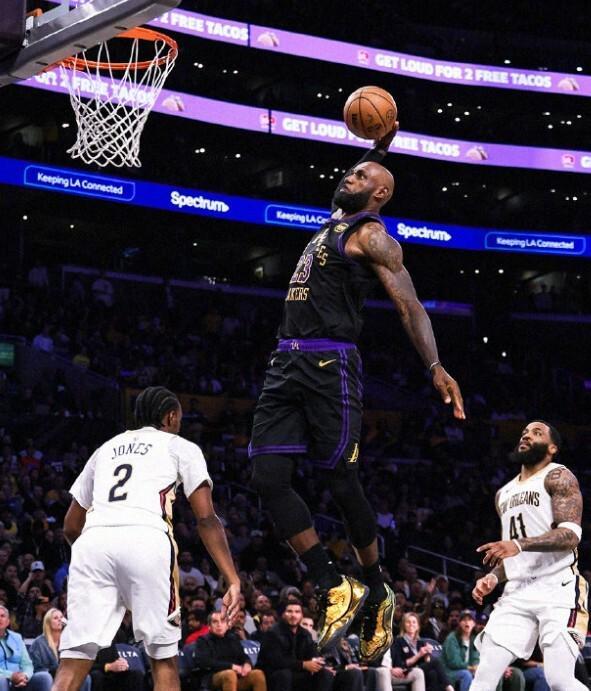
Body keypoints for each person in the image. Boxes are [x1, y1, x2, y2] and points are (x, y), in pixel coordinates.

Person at [250, 123, 465, 664]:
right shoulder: (335, 221)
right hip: (285, 359)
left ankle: (378, 588)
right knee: (266, 477)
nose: (349, 175)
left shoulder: (371, 236)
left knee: (340, 479)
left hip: (331, 363)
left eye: (361, 175)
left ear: (380, 193)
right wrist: (379, 147)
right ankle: (333, 584)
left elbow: (409, 306)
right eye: (351, 171)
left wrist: (436, 366)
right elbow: (359, 173)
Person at [51, 386, 241, 691]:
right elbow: (206, 518)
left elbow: (71, 526)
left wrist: (105, 566)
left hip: (93, 542)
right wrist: (232, 578)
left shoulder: (105, 449)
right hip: (146, 540)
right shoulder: (180, 446)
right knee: (163, 660)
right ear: (171, 416)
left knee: (73, 661)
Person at [471, 420, 589, 690]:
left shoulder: (558, 476)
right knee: (483, 678)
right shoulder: (503, 494)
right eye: (524, 432)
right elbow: (513, 553)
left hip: (558, 587)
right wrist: (493, 577)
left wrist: (518, 545)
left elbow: (571, 535)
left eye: (537, 433)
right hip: (517, 592)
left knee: (559, 680)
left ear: (552, 448)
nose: (526, 436)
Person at [258, 601, 334, 691]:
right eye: (289, 611)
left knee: (325, 674)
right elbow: (276, 661)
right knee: (284, 675)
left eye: (297, 612)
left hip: (298, 674)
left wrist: (318, 664)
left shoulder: (305, 634)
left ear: (301, 615)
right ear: (283, 614)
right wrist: (303, 665)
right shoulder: (272, 633)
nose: (293, 615)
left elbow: (313, 654)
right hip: (275, 675)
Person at [193, 611, 267, 691]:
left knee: (258, 674)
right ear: (209, 626)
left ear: (227, 625)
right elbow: (205, 662)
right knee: (230, 674)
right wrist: (231, 666)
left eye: (222, 621)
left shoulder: (233, 638)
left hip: (236, 676)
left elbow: (243, 656)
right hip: (213, 677)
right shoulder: (203, 641)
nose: (219, 625)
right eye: (215, 622)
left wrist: (247, 664)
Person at [29, 609, 91, 691]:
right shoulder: (39, 643)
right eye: (55, 618)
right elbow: (36, 667)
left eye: (61, 617)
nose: (59, 620)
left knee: (84, 677)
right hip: (48, 676)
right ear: (48, 623)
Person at [391, 612, 453, 691]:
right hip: (406, 670)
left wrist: (427, 655)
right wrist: (419, 655)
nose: (411, 624)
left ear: (418, 626)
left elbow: (426, 663)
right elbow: (399, 664)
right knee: (436, 662)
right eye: (408, 622)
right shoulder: (398, 641)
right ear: (404, 625)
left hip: (420, 670)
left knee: (433, 674)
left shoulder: (420, 642)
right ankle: (450, 688)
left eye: (414, 622)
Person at [0, 605, 52, 691]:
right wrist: (11, 676)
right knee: (1, 681)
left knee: (44, 677)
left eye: (2, 616)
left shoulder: (17, 637)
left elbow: (27, 663)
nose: (0, 619)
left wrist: (25, 676)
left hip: (20, 682)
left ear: (8, 621)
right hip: (3, 680)